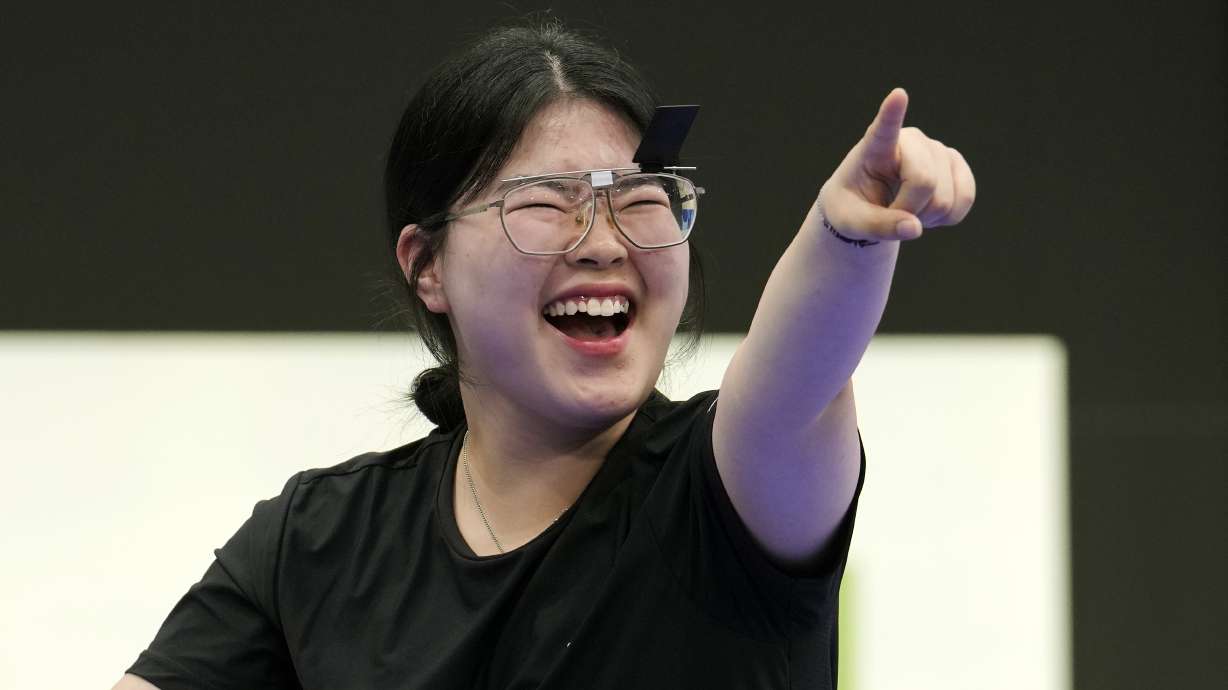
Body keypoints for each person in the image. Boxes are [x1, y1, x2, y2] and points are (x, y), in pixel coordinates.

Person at [113, 19, 974, 690]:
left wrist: (847, 234)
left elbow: (799, 373)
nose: (602, 243)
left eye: (641, 198)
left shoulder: (729, 489)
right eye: (544, 203)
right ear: (427, 265)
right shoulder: (316, 541)